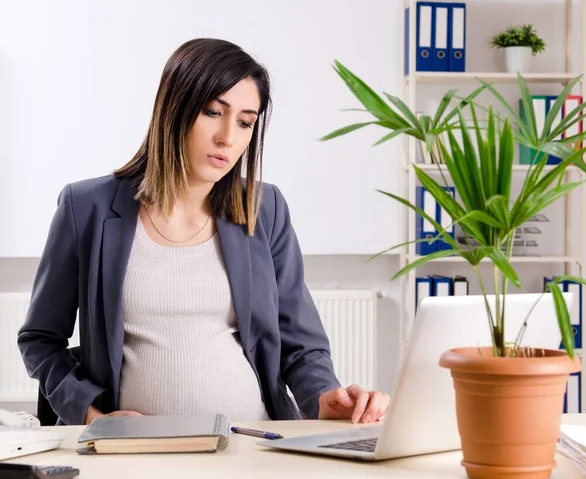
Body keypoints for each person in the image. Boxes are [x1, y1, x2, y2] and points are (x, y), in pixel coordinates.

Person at [17, 38, 390, 426]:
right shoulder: (86, 207)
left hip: (253, 443)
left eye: (245, 122)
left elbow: (301, 344)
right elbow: (40, 340)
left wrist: (325, 396)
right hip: (131, 451)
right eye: (213, 112)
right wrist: (92, 415)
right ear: (173, 108)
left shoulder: (264, 208)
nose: (228, 137)